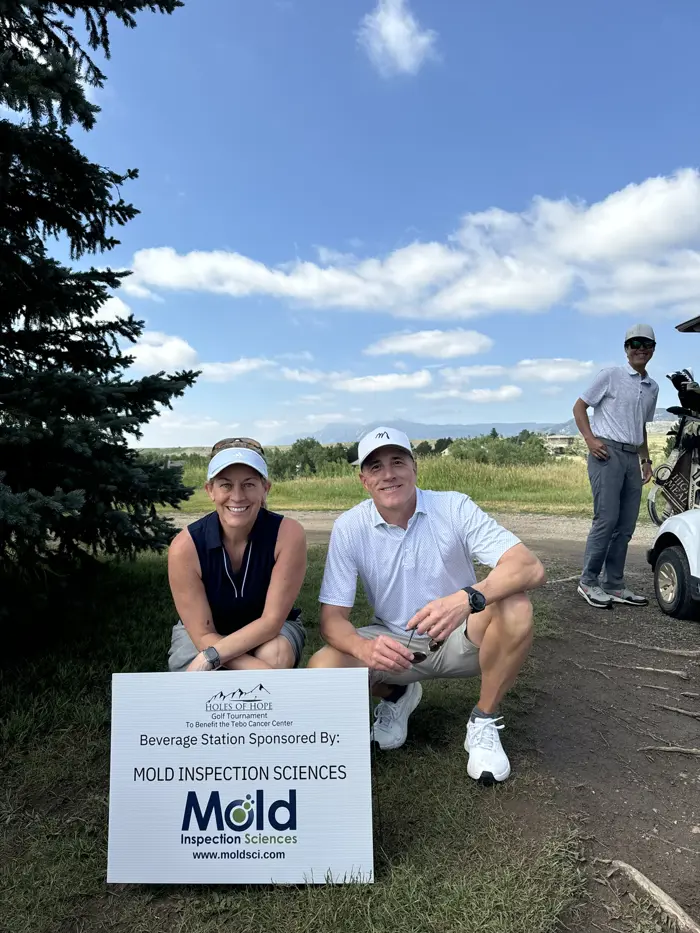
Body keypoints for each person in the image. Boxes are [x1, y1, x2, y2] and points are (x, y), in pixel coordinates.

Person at [307, 426, 546, 785]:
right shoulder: (349, 527)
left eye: (397, 461)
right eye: (375, 467)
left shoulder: (453, 506)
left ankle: (483, 719)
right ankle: (398, 694)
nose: (388, 474)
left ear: (414, 468)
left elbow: (529, 567)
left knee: (515, 604)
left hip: (463, 637)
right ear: (363, 480)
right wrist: (363, 647)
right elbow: (331, 620)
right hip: (394, 644)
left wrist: (467, 598)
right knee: (323, 666)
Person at [167, 437, 307, 672]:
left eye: (249, 484)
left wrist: (213, 659)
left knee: (275, 655)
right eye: (226, 485)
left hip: (270, 631)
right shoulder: (185, 546)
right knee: (195, 669)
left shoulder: (288, 534)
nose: (238, 496)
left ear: (266, 488)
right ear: (210, 490)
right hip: (205, 635)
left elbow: (271, 622)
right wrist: (213, 657)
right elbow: (202, 634)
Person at [574, 324, 659, 609]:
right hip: (606, 453)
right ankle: (588, 581)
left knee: (625, 525)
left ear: (653, 349)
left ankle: (613, 584)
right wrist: (590, 440)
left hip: (632, 456)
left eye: (646, 344)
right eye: (634, 344)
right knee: (607, 519)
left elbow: (642, 427)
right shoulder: (611, 375)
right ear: (626, 349)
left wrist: (646, 460)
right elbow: (579, 407)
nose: (640, 348)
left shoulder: (652, 387)